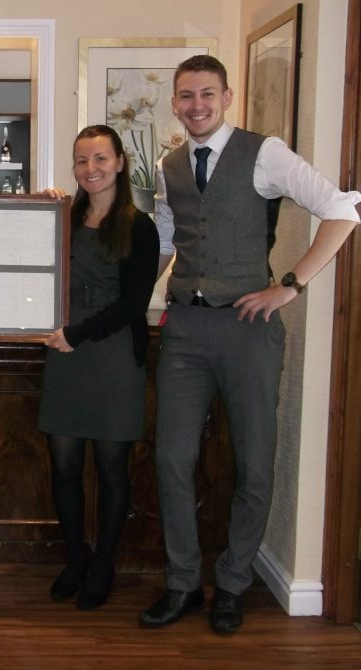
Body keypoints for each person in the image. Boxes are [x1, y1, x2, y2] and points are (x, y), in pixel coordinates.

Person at [139, 55, 360, 634]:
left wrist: (289, 286)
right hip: (185, 327)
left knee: (254, 461)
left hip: (248, 328)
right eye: (186, 96)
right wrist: (137, 298)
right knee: (171, 459)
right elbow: (168, 237)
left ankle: (233, 583)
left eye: (207, 94)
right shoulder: (170, 164)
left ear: (228, 96)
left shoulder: (265, 152)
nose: (197, 106)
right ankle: (183, 582)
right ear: (176, 103)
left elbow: (341, 209)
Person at [39, 125, 159, 610]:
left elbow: (134, 302)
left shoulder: (140, 226)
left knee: (112, 468)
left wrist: (77, 335)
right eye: (82, 160)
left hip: (108, 353)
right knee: (64, 466)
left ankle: (104, 562)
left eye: (100, 159)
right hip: (64, 352)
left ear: (120, 163)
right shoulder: (63, 217)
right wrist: (41, 208)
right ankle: (75, 559)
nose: (90, 168)